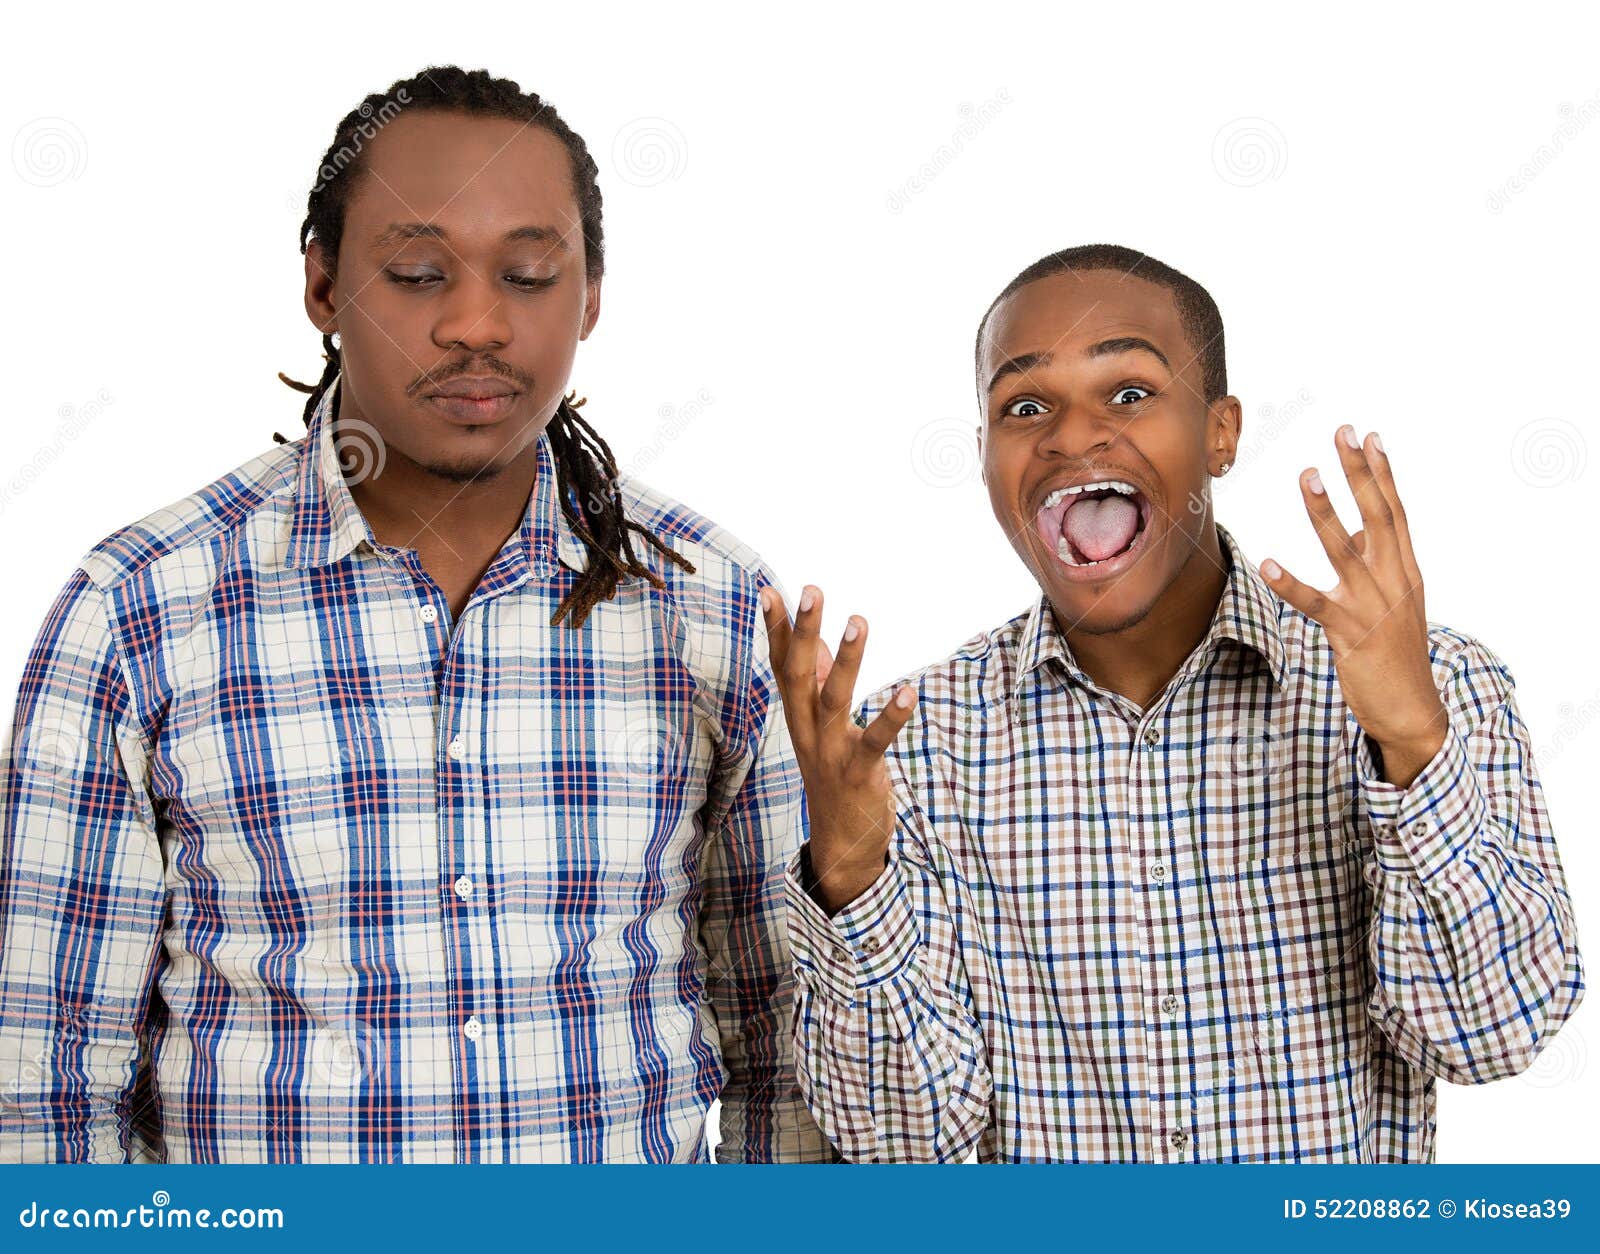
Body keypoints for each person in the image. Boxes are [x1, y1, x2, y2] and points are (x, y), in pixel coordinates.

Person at [0, 66, 831, 1163]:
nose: (475, 324)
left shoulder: (714, 606)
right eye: (416, 272)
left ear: (590, 297)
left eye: (530, 275)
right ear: (323, 286)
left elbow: (784, 1049)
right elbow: (45, 1083)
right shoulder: (141, 611)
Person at [763, 244, 1583, 1162]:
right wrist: (849, 878)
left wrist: (1411, 742)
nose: (1072, 436)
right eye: (1024, 406)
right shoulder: (910, 752)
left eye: (1129, 393)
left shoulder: (1439, 688)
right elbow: (901, 1144)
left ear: (1221, 433)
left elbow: (1492, 1036)